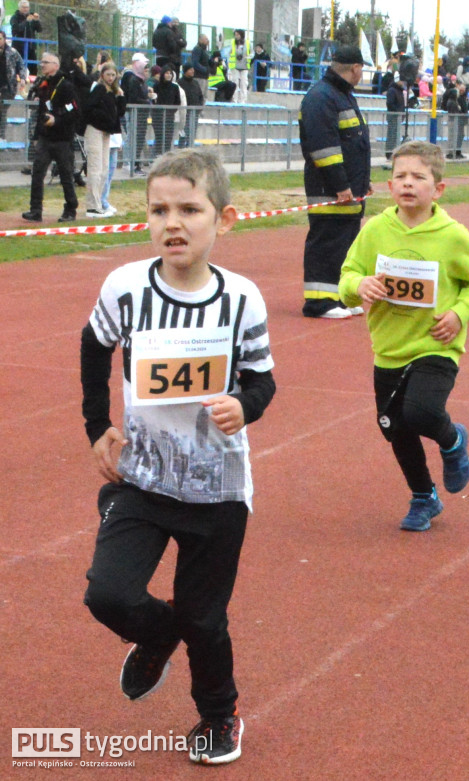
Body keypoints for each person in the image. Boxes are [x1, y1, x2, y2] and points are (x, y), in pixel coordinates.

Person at [80, 148, 275, 766]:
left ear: (225, 218)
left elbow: (263, 382)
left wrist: (243, 406)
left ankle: (219, 717)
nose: (174, 222)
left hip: (217, 489)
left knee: (205, 616)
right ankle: (158, 634)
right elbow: (93, 346)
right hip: (141, 475)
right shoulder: (125, 287)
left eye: (190, 209)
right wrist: (98, 425)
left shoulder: (242, 299)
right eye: (160, 209)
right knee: (107, 595)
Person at [339, 141, 469, 531]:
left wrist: (459, 314)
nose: (409, 184)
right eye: (401, 177)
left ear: (437, 189)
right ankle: (424, 496)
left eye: (419, 177)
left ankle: (453, 440)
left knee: (421, 412)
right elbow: (346, 276)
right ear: (390, 186)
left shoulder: (453, 236)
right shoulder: (375, 230)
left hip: (435, 344)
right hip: (389, 347)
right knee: (395, 428)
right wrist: (360, 285)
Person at [299, 44, 372, 319]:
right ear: (355, 68)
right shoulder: (322, 97)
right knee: (327, 244)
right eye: (362, 70)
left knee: (344, 246)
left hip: (349, 191)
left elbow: (355, 146)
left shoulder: (341, 96)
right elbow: (324, 149)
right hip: (329, 191)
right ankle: (319, 303)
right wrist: (341, 185)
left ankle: (338, 297)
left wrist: (363, 182)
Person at [21, 52, 79, 222]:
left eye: (45, 62)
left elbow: (75, 111)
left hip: (62, 139)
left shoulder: (66, 85)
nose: (42, 65)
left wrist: (57, 120)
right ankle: (35, 209)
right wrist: (37, 134)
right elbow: (41, 112)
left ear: (55, 65)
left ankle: (70, 209)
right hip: (46, 138)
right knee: (37, 173)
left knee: (66, 175)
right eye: (41, 62)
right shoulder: (43, 84)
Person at [82, 61, 125, 218]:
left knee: (104, 169)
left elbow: (120, 113)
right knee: (95, 168)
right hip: (95, 130)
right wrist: (100, 119)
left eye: (113, 75)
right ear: (102, 75)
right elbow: (88, 108)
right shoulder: (99, 89)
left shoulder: (112, 92)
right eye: (108, 75)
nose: (111, 78)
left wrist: (121, 97)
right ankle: (92, 206)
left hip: (107, 132)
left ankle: (100, 202)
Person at [122, 52, 155, 175]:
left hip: (142, 115)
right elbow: (133, 97)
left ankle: (136, 164)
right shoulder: (133, 80)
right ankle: (130, 163)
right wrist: (147, 102)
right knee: (133, 138)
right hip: (135, 114)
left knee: (140, 139)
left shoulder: (142, 81)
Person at [0, 31, 28, 141]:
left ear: (4, 39)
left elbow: (21, 66)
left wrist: (22, 78)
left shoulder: (12, 52)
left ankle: (2, 137)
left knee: (2, 111)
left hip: (8, 87)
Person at [152, 66, 180, 157]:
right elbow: (153, 100)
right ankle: (158, 156)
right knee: (159, 137)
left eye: (170, 73)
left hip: (169, 117)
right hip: (158, 117)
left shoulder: (175, 87)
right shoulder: (156, 86)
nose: (168, 75)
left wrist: (171, 112)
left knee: (168, 138)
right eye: (167, 73)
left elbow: (177, 102)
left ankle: (166, 157)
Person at [10, 0, 41, 75]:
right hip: (19, 47)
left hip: (30, 47)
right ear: (19, 8)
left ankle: (33, 85)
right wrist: (26, 21)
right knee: (17, 68)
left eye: (27, 7)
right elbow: (16, 30)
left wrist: (37, 21)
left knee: (33, 68)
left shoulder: (31, 16)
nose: (25, 9)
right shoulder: (15, 17)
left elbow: (39, 30)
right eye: (23, 7)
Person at [178, 62, 204, 147]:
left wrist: (199, 108)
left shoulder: (195, 83)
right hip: (184, 114)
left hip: (195, 113)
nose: (192, 71)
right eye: (190, 69)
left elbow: (201, 96)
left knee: (192, 135)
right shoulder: (180, 83)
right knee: (183, 134)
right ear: (185, 71)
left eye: (193, 69)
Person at [442, 79, 468, 160]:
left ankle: (457, 152)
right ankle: (452, 153)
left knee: (459, 136)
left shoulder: (461, 98)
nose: (461, 92)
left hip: (461, 120)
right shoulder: (453, 101)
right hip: (455, 120)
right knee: (453, 136)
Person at [384, 75, 405, 160]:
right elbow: (390, 103)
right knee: (392, 135)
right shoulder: (392, 91)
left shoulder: (400, 91)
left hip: (398, 117)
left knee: (396, 135)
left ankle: (395, 151)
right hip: (393, 116)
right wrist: (397, 112)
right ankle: (389, 152)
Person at [229, 30, 251, 103]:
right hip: (235, 66)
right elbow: (229, 52)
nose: (236, 36)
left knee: (243, 84)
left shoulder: (247, 43)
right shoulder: (232, 42)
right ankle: (234, 100)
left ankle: (243, 100)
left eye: (238, 35)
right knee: (235, 83)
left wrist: (248, 57)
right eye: (235, 35)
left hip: (244, 66)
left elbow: (252, 53)